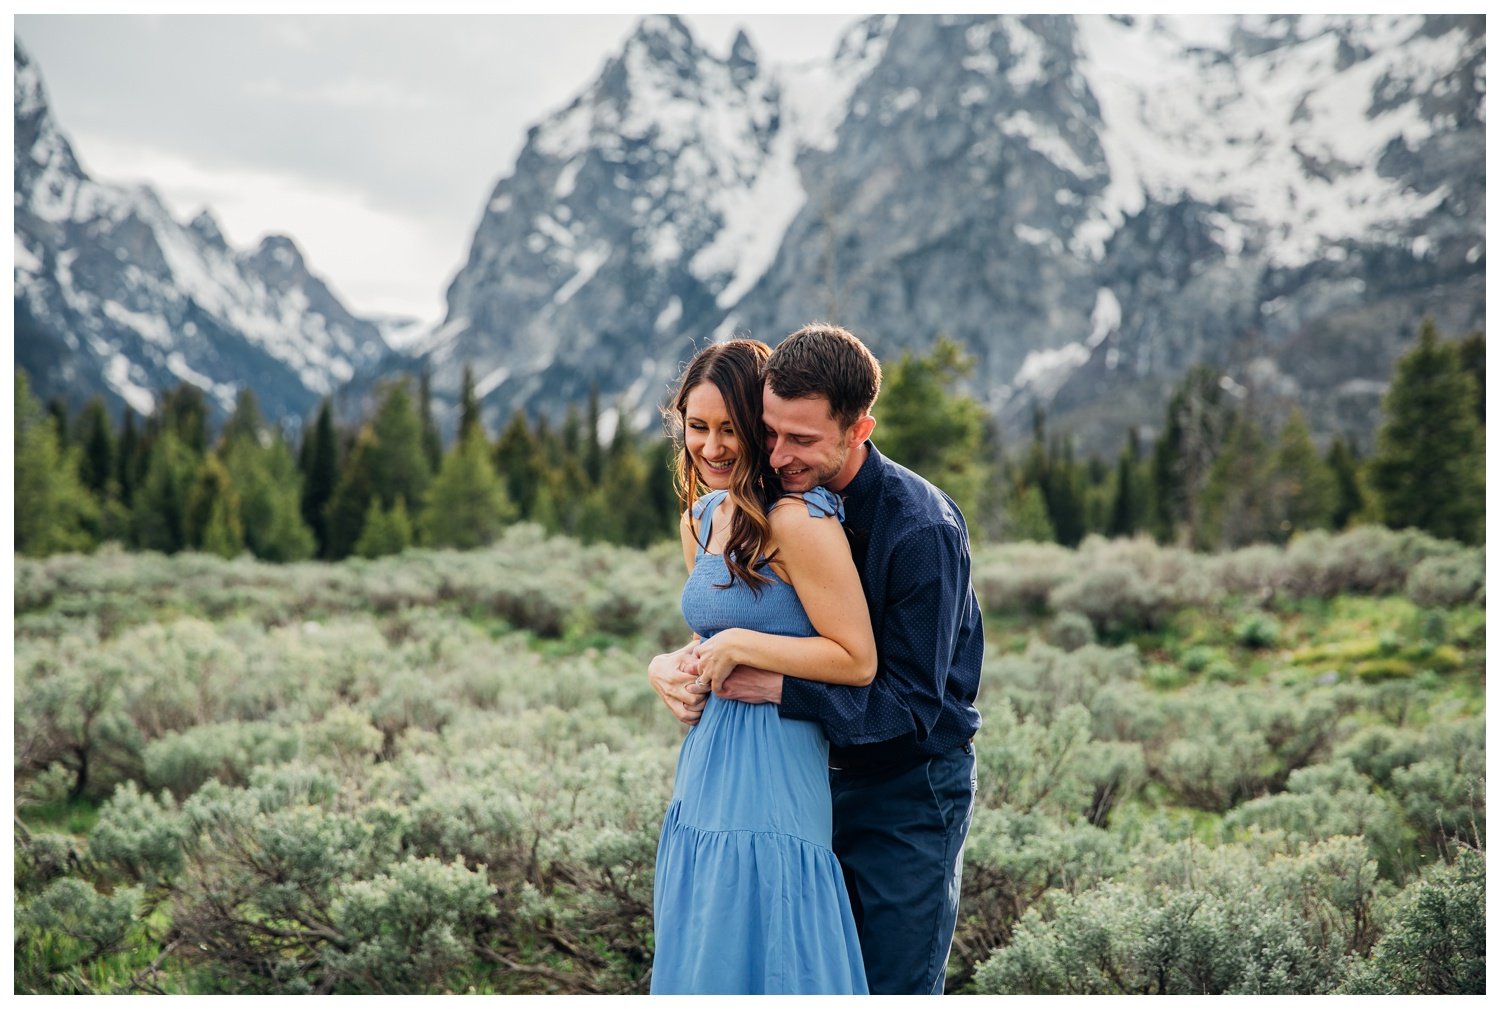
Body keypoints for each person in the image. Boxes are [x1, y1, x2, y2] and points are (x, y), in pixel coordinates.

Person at [650, 324, 983, 995]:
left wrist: (771, 679)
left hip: (905, 788)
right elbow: (728, 623)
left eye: (798, 440)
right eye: (770, 432)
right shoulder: (732, 510)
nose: (777, 453)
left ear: (858, 430)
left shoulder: (920, 529)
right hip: (798, 770)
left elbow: (907, 702)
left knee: (882, 981)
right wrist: (667, 665)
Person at [649, 338, 876, 995]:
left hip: (774, 771)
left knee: (775, 950)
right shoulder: (703, 516)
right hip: (704, 769)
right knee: (706, 951)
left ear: (758, 428)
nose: (712, 446)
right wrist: (665, 665)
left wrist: (746, 645)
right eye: (697, 427)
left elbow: (856, 656)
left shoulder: (799, 522)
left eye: (730, 429)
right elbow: (708, 633)